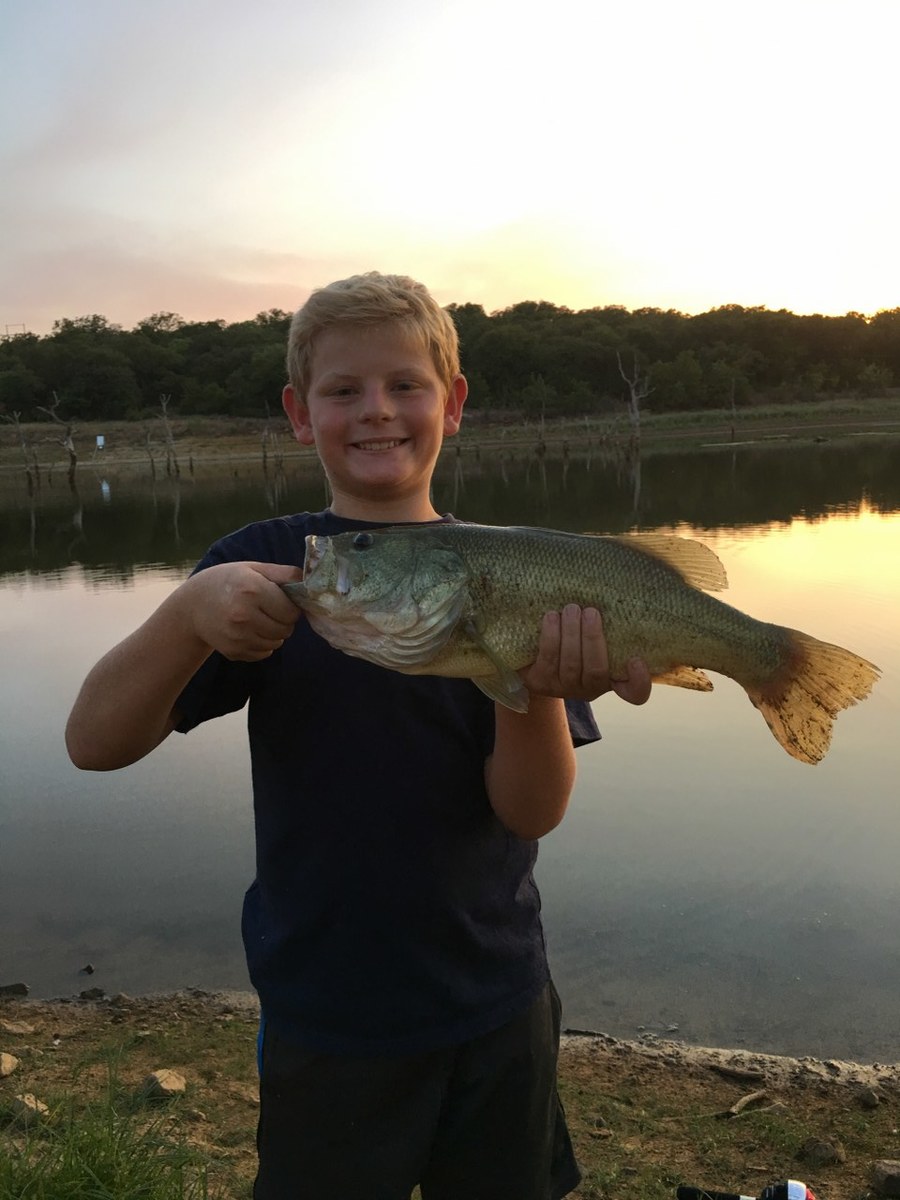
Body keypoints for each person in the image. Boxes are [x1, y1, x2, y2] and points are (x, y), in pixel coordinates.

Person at [65, 272, 651, 1200]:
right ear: (301, 414)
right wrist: (187, 615)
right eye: (344, 391)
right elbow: (92, 743)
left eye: (405, 385)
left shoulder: (522, 570)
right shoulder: (272, 570)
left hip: (498, 1000)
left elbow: (531, 810)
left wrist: (530, 688)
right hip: (325, 1014)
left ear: (452, 404)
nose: (376, 411)